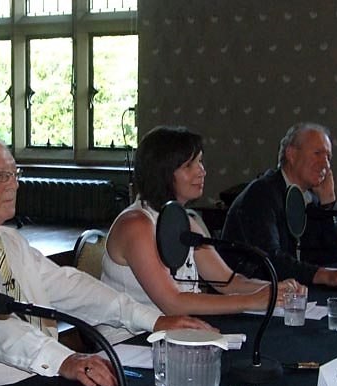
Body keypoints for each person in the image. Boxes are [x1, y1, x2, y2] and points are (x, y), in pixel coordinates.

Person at [0, 134, 213, 386]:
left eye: (15, 173)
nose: (14, 184)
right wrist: (63, 359)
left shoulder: (9, 241)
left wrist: (153, 320)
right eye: (0, 176)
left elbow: (72, 288)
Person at [101, 125, 302, 321]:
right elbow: (173, 303)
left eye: (200, 162)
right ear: (162, 172)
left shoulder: (186, 222)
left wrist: (275, 288)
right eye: (189, 165)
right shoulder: (136, 225)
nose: (202, 171)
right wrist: (252, 301)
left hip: (180, 331)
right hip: (132, 338)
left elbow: (228, 282)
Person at [220, 122, 337, 291]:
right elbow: (269, 259)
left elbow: (330, 255)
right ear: (291, 155)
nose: (325, 164)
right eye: (317, 153)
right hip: (249, 296)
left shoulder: (310, 197)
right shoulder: (261, 194)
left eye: (328, 157)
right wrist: (325, 275)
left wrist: (328, 202)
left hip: (291, 292)